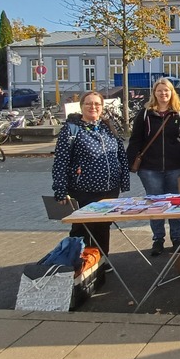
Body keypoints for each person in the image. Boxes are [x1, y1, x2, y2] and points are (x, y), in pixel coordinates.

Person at [51, 91, 129, 266]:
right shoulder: (71, 130)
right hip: (82, 190)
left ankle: (102, 261)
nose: (93, 107)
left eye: (97, 104)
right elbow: (60, 161)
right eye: (89, 104)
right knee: (82, 228)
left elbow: (120, 156)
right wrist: (60, 189)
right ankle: (79, 264)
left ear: (102, 107)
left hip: (109, 189)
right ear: (82, 107)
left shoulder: (108, 127)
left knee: (103, 227)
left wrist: (123, 181)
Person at [126, 78, 180, 257]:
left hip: (176, 167)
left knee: (175, 204)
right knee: (156, 205)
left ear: (172, 93)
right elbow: (135, 140)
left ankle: (177, 238)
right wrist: (129, 163)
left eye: (167, 91)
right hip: (150, 169)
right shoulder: (145, 114)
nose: (163, 94)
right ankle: (158, 240)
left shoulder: (179, 113)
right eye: (159, 91)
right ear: (154, 93)